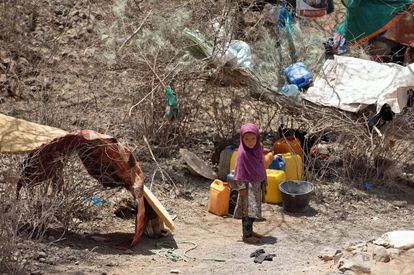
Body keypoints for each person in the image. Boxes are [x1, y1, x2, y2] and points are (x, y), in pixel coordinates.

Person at [233, 123, 267, 244]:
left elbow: (261, 166)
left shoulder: (258, 150)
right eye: (246, 139)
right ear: (242, 139)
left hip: (256, 185)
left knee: (254, 210)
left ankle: (250, 231)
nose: (250, 142)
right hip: (247, 187)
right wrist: (241, 188)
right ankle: (246, 236)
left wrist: (264, 182)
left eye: (253, 139)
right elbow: (239, 171)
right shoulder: (243, 154)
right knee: (247, 211)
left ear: (257, 138)